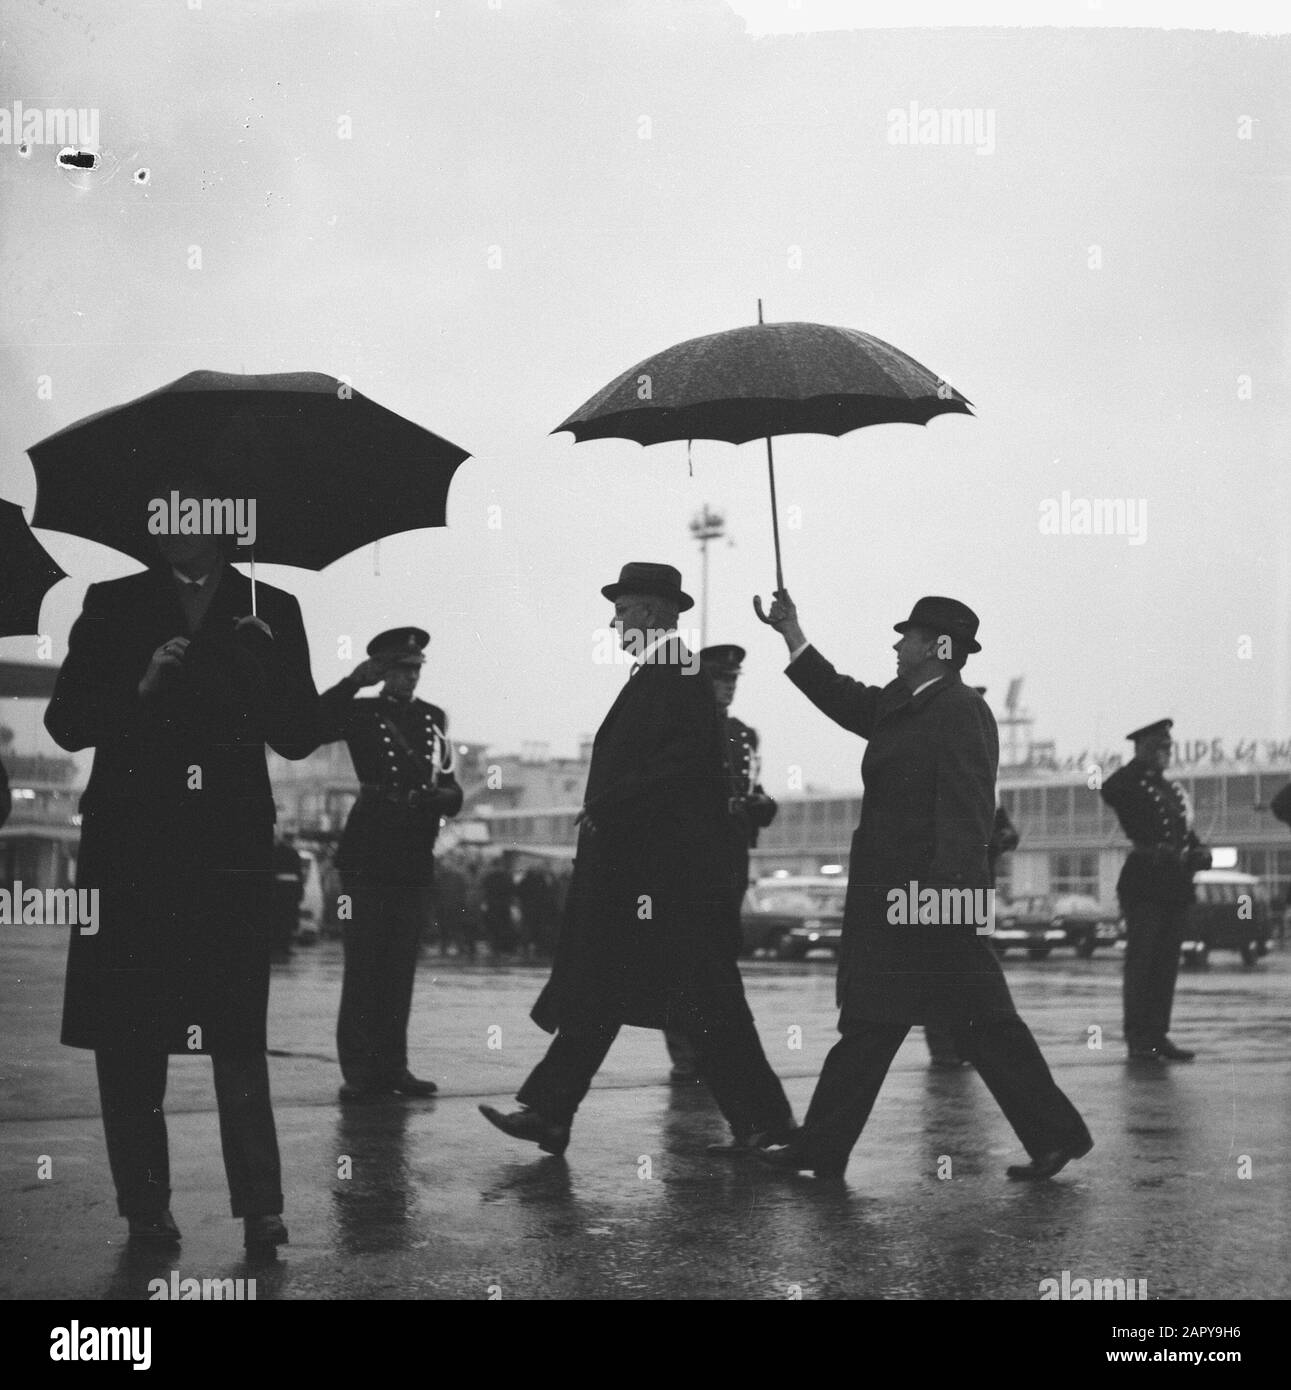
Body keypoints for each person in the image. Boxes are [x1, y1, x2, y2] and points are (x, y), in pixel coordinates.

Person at [45, 474, 318, 1251]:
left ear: (228, 524)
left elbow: (298, 735)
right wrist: (140, 687)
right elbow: (66, 724)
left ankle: (261, 1208)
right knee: (129, 1033)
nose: (168, 525)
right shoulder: (112, 604)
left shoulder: (274, 613)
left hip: (226, 850)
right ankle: (146, 1208)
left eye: (187, 513)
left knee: (235, 1032)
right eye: (159, 511)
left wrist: (268, 670)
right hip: (130, 849)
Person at [755, 591, 1092, 1182]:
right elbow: (839, 695)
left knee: (932, 1024)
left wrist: (949, 898)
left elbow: (967, 809)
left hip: (931, 900)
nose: (895, 644)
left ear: (939, 647)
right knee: (899, 1022)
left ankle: (825, 1146)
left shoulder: (961, 709)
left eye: (905, 636)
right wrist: (792, 632)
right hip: (898, 899)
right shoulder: (900, 704)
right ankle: (1050, 1137)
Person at [479, 562, 795, 1156]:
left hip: (667, 881)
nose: (614, 620)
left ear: (650, 612)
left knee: (705, 1001)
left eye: (622, 609)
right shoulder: (663, 672)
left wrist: (609, 805)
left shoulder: (675, 673)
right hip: (645, 877)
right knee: (605, 990)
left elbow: (681, 769)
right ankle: (549, 1112)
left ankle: (769, 1127)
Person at [317, 627, 463, 1102]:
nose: (411, 678)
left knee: (399, 968)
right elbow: (311, 725)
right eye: (402, 670)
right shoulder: (361, 712)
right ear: (383, 671)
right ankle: (360, 1072)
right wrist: (351, 682)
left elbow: (450, 783)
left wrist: (443, 797)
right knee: (364, 966)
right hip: (368, 850)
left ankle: (394, 1067)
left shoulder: (433, 717)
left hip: (413, 852)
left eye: (416, 669)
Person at [664, 643, 778, 1081]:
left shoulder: (742, 733)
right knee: (685, 959)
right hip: (690, 859)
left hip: (731, 857)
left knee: (720, 955)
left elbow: (752, 787)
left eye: (732, 680)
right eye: (719, 679)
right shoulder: (683, 727)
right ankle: (687, 1057)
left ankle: (709, 1051)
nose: (727, 687)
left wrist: (759, 805)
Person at [1100, 719, 1211, 1062]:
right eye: (1161, 747)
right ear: (1146, 748)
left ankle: (1158, 1035)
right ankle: (1139, 1040)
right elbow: (1110, 789)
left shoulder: (1173, 791)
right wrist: (1139, 761)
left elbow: (1184, 833)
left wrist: (1198, 850)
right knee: (1142, 963)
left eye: (1168, 747)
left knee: (1165, 966)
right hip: (1145, 880)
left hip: (1175, 884)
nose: (1167, 753)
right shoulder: (1131, 783)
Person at [924, 686, 1020, 1069]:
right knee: (942, 965)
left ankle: (964, 1043)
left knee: (967, 966)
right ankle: (945, 1047)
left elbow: (1002, 825)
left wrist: (1004, 836)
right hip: (942, 880)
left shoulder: (985, 775)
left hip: (977, 879)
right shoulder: (933, 761)